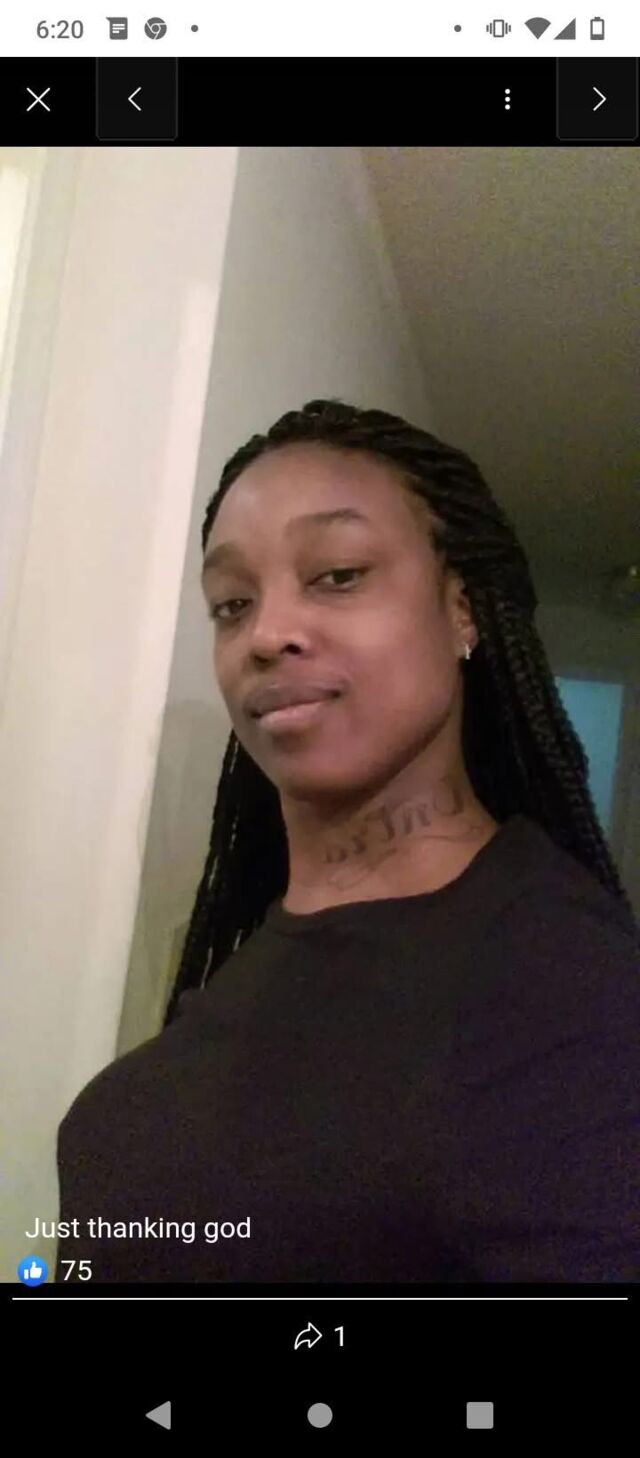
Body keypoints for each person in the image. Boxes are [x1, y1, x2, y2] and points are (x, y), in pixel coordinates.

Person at [55, 398, 639, 1284]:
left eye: (337, 574)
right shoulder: (235, 977)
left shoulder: (572, 991)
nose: (266, 635)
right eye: (232, 603)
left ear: (461, 609)